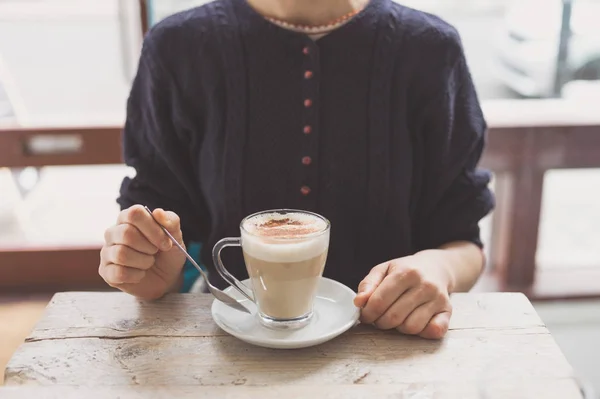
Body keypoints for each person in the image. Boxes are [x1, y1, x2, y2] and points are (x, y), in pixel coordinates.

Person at [99, 0, 495, 340]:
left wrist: (439, 267)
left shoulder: (430, 49)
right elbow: (161, 233)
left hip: (391, 345)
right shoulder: (177, 48)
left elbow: (462, 241)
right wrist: (151, 272)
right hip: (232, 349)